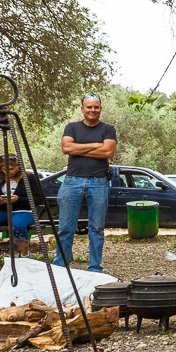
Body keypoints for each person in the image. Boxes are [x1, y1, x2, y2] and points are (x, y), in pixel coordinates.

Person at [56, 94, 116, 272]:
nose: (92, 110)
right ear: (82, 109)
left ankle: (95, 267)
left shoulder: (108, 129)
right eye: (89, 107)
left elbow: (108, 152)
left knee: (96, 229)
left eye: (96, 107)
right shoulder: (72, 127)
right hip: (71, 181)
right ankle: (61, 265)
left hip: (99, 183)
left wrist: (78, 149)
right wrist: (96, 145)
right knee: (65, 228)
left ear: (100, 109)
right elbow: (67, 148)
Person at [0, 155, 44, 261]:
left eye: (11, 169)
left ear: (19, 167)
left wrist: (18, 199)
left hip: (24, 211)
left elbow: (39, 198)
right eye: (4, 169)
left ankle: (24, 254)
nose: (8, 172)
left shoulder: (29, 178)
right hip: (2, 211)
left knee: (18, 225)